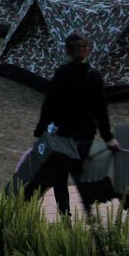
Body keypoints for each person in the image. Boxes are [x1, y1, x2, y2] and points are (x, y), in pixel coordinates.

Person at [33, 33, 118, 218]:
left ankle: (65, 215)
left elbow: (49, 106)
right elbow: (101, 112)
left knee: (59, 178)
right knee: (82, 177)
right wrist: (108, 137)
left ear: (67, 51)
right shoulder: (94, 77)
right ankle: (88, 211)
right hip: (86, 138)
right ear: (87, 50)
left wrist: (40, 130)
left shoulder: (61, 74)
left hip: (63, 138)